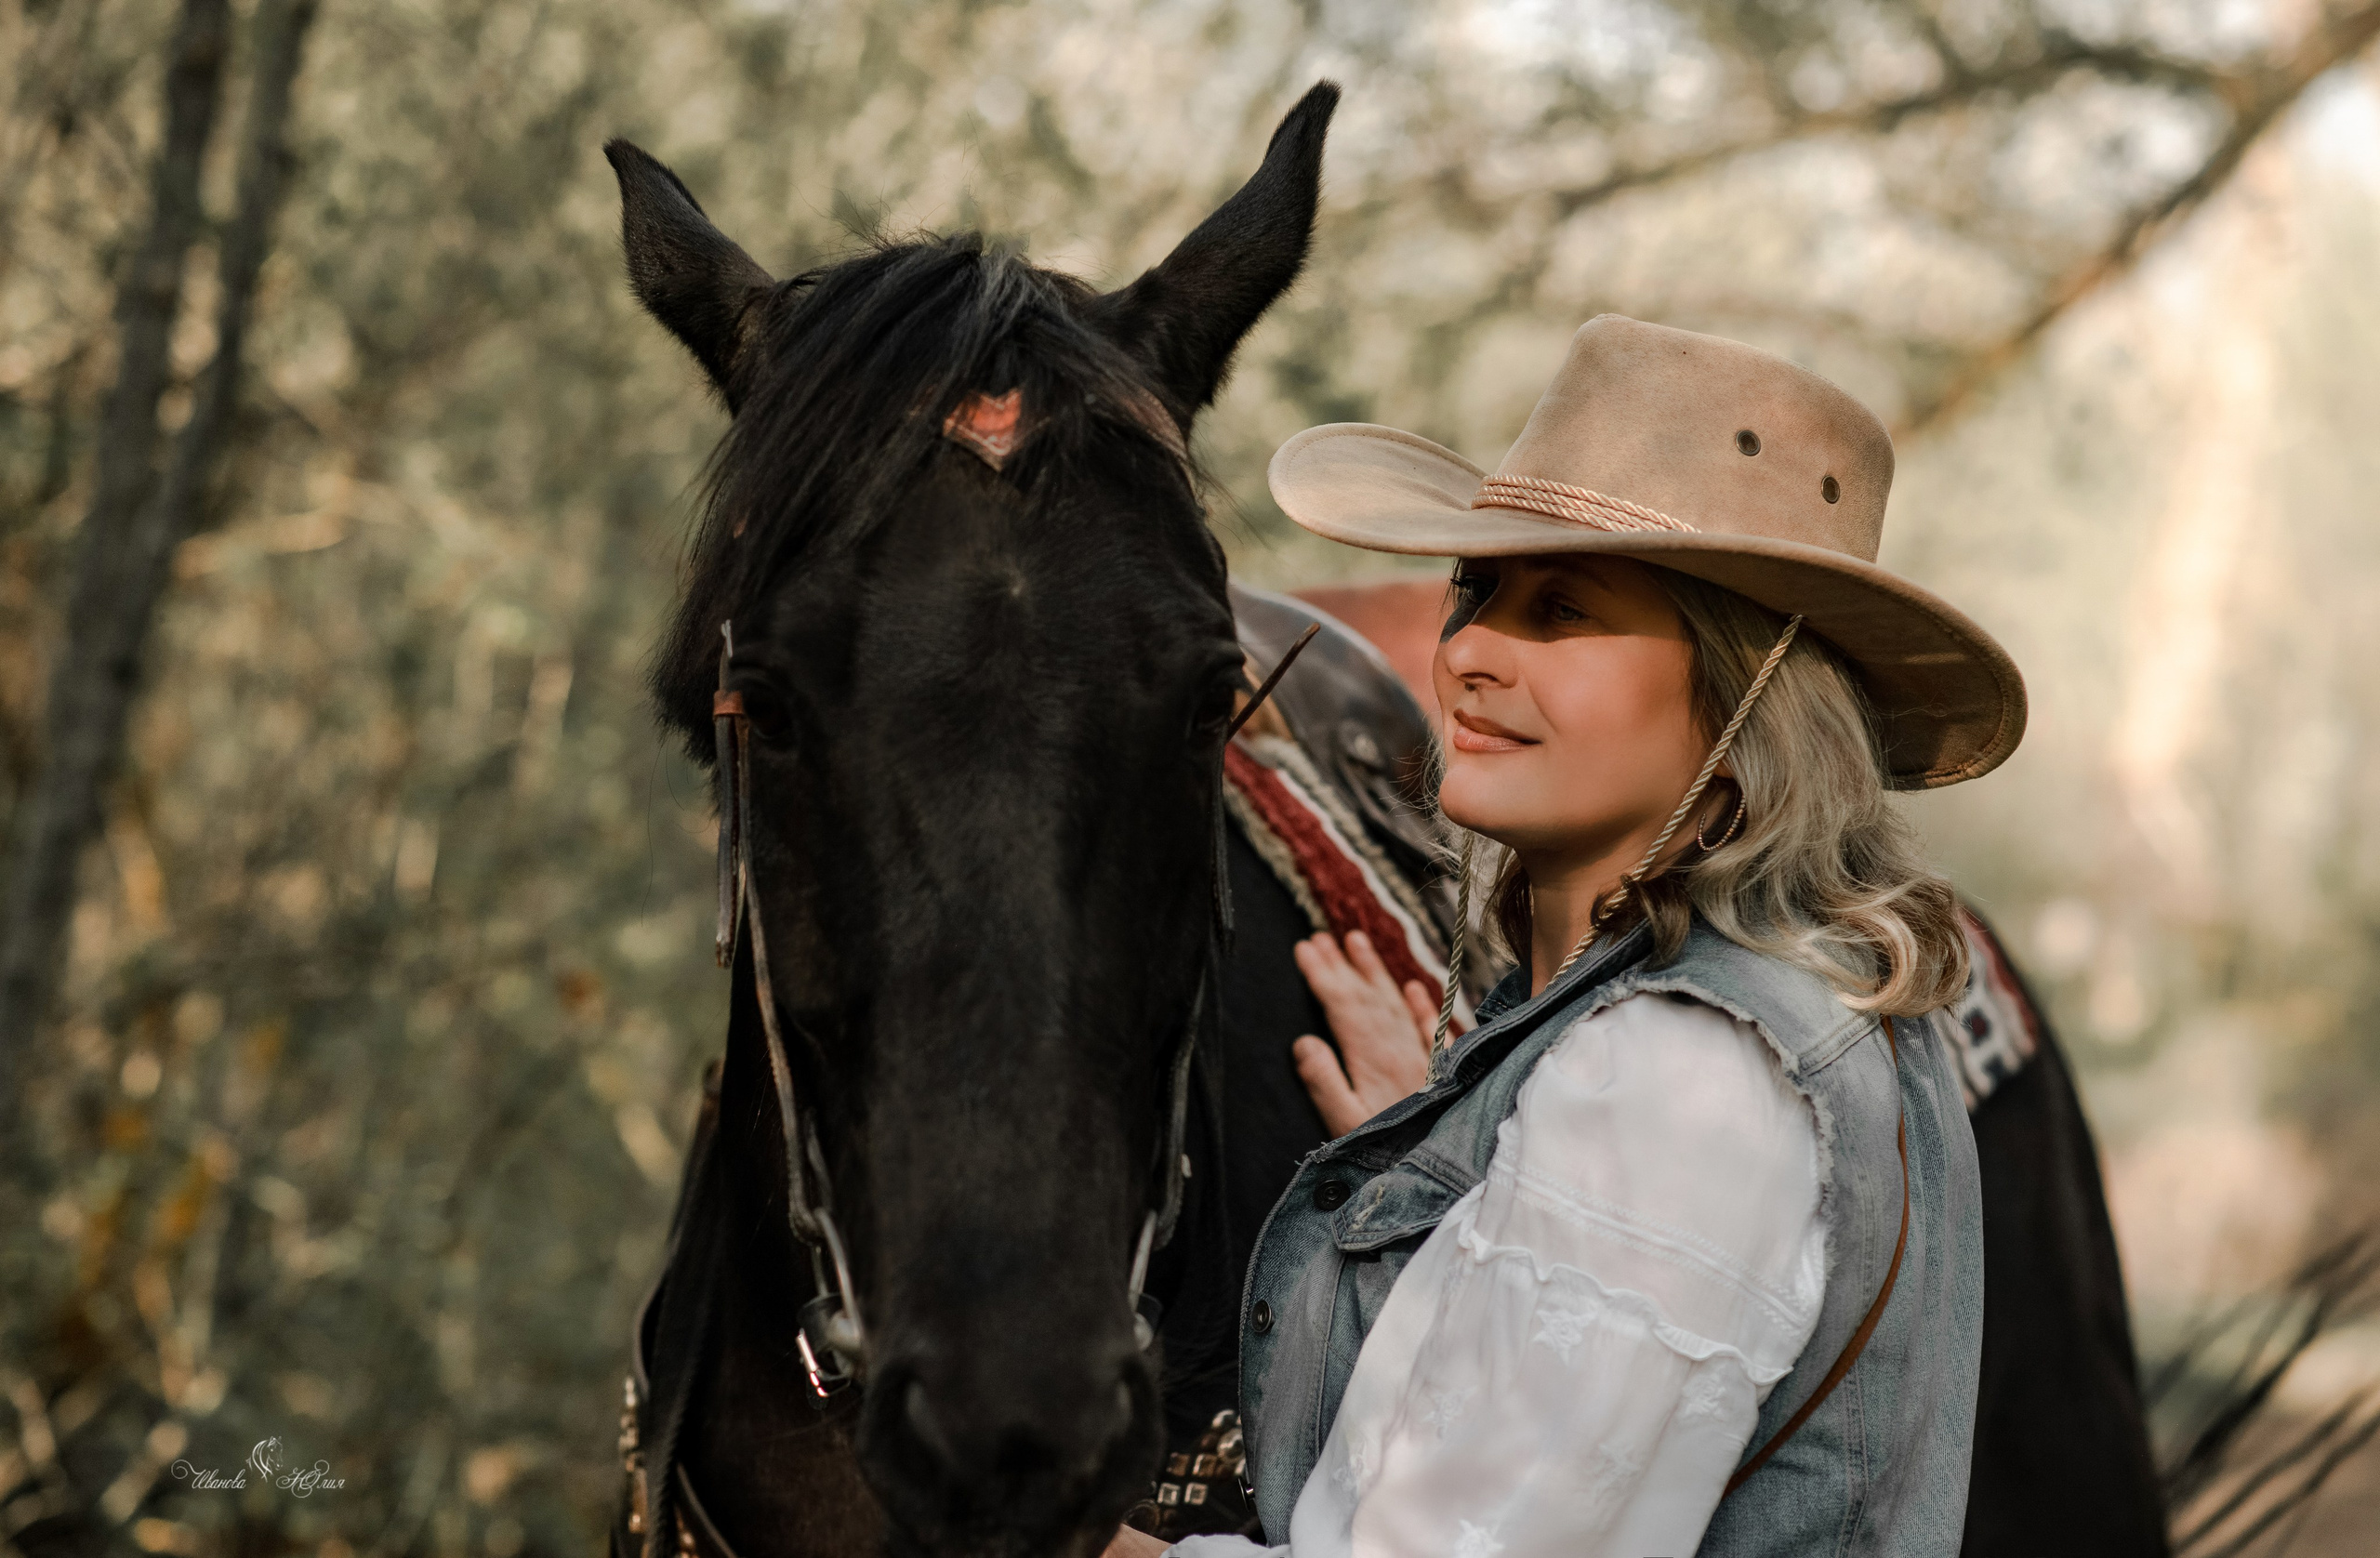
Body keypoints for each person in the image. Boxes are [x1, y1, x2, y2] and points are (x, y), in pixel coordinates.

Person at [1113, 313, 2027, 1557]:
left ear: (1744, 685)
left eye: (1562, 610)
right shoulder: (1782, 1025)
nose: (1469, 651)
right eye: (1477, 591)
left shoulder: (1681, 1083)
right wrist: (1456, 1168)